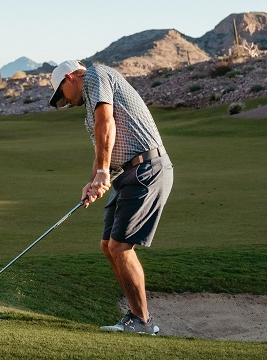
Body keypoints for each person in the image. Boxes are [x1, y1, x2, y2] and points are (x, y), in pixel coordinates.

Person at [49, 59, 174, 335]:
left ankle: (143, 321)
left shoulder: (95, 75)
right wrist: (93, 180)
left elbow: (107, 123)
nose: (64, 102)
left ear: (70, 77)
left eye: (61, 95)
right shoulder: (90, 102)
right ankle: (136, 316)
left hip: (145, 169)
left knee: (119, 246)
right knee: (108, 245)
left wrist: (104, 172)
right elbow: (102, 143)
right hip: (128, 175)